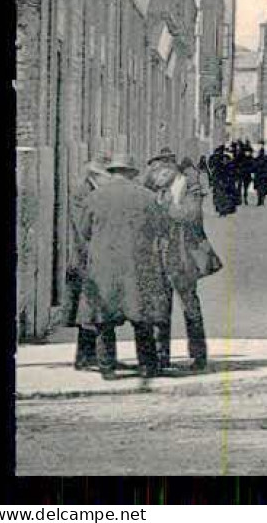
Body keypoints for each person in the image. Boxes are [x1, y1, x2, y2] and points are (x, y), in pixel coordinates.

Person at [77, 150, 171, 379]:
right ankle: (147, 366)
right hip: (137, 265)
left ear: (112, 172)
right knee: (143, 319)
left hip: (104, 265)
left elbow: (84, 231)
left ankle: (107, 368)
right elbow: (161, 229)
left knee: (103, 320)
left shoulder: (95, 197)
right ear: (132, 173)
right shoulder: (147, 197)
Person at [143, 152, 220, 372]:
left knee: (190, 307)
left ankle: (198, 355)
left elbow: (190, 214)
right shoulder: (159, 190)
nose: (155, 178)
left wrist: (164, 206)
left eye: (158, 173)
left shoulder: (189, 188)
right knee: (160, 307)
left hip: (183, 258)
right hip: (161, 257)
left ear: (169, 170)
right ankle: (161, 356)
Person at [67, 159, 116, 371]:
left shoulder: (90, 190)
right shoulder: (83, 192)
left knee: (91, 307)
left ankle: (90, 356)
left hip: (92, 255)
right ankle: (85, 357)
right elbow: (84, 230)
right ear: (96, 176)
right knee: (89, 307)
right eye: (108, 177)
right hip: (87, 257)